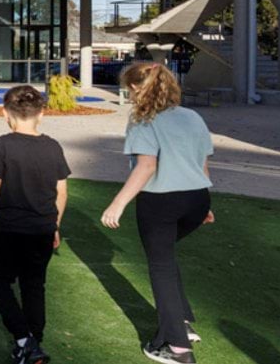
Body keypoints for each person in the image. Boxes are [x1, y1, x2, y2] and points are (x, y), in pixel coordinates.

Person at [101, 62, 215, 364]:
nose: (129, 95)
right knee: (165, 256)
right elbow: (201, 162)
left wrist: (118, 203)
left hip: (161, 202)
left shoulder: (142, 119)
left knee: (160, 265)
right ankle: (182, 322)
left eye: (129, 89)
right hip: (197, 199)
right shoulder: (192, 116)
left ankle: (177, 349)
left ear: (138, 88)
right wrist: (206, 205)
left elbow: (146, 167)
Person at [0, 84, 71, 364]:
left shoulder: (2, 144)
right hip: (41, 228)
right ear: (41, 114)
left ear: (6, 113)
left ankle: (24, 339)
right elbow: (61, 191)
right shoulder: (53, 146)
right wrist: (55, 224)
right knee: (33, 284)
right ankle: (33, 343)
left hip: (8, 228)